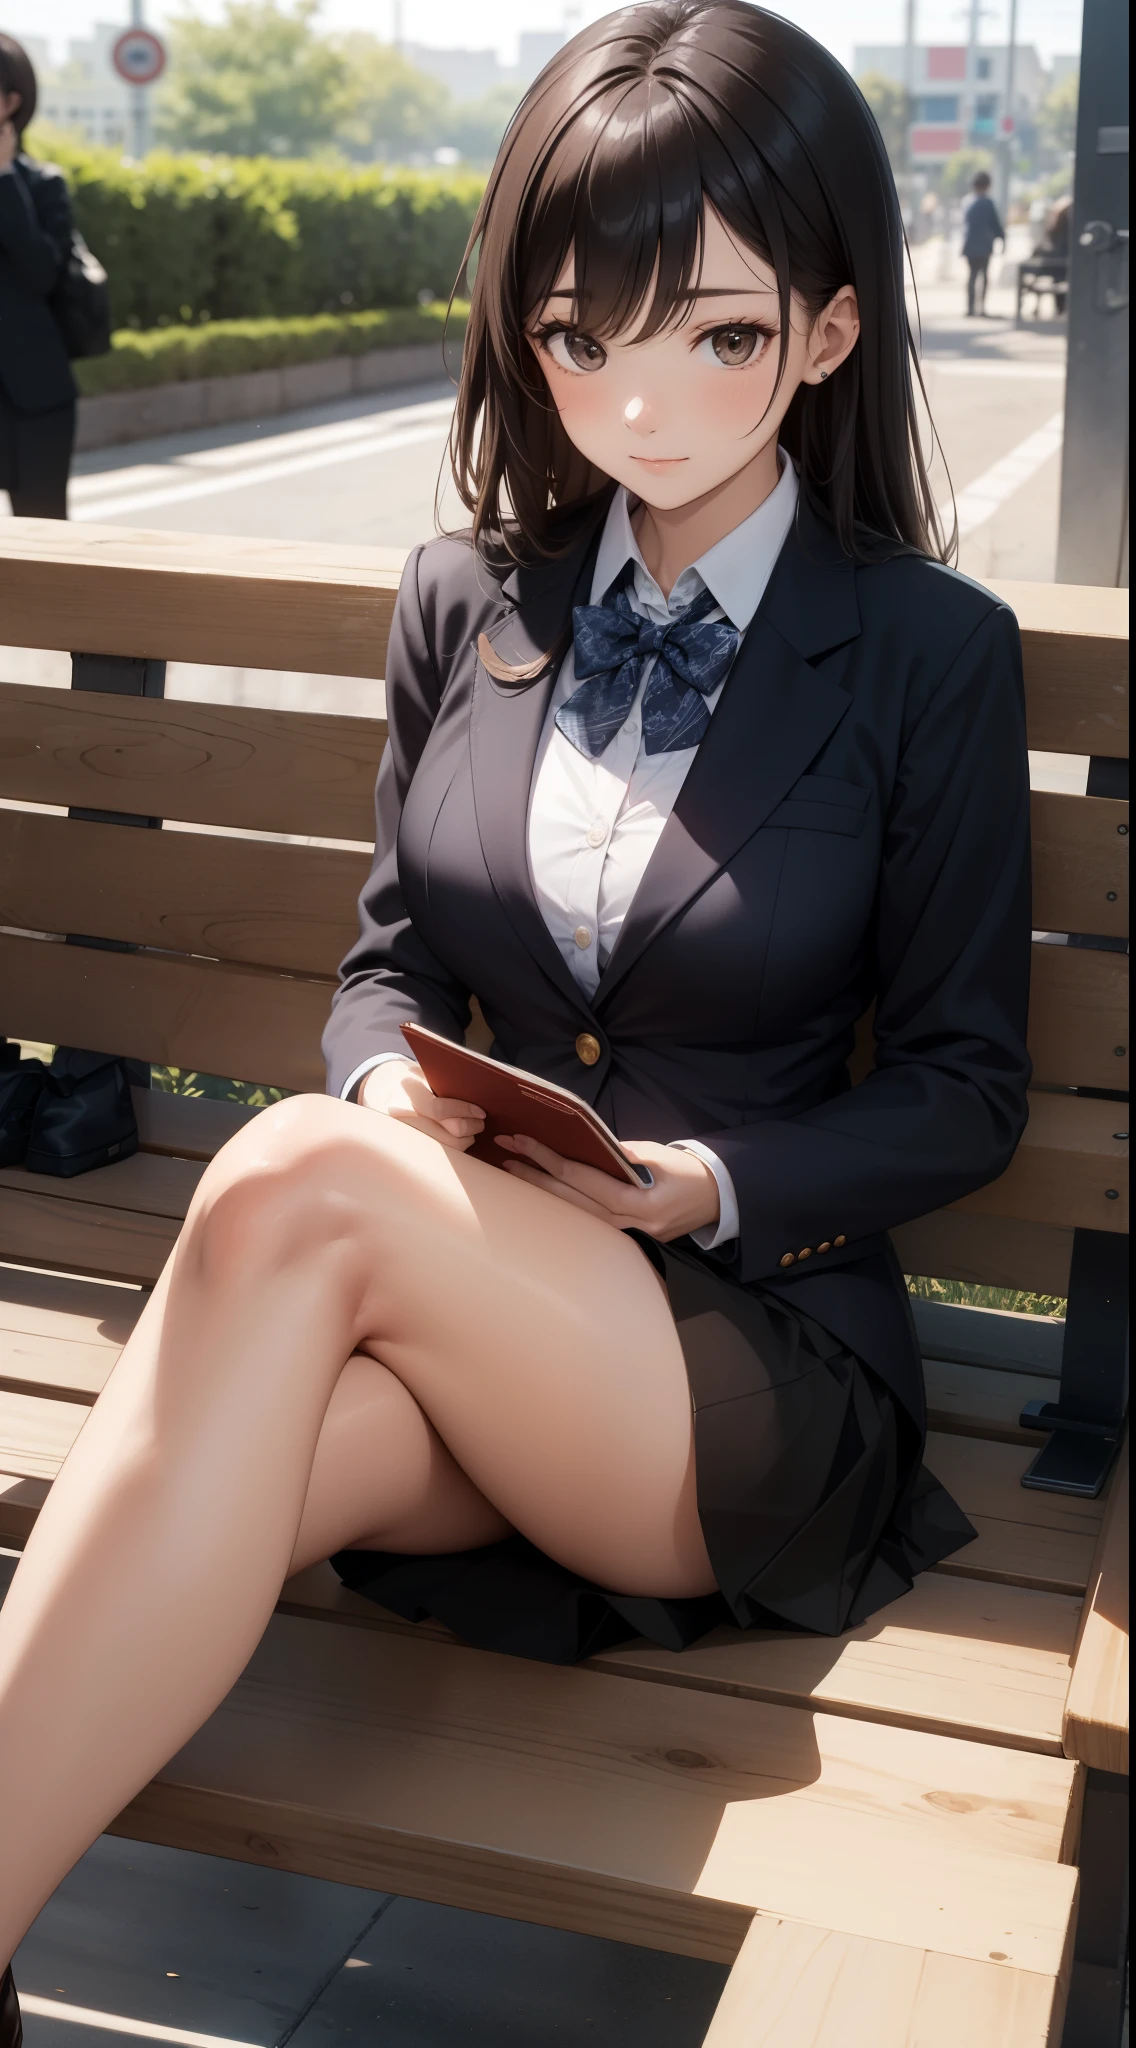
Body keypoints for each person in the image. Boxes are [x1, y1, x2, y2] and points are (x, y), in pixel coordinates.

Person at [0, 3, 1032, 2022]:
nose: (638, 400)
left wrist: (697, 1182)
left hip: (747, 1360)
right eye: (579, 336)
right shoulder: (464, 598)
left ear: (822, 333)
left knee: (290, 1195)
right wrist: (394, 1075)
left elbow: (965, 1086)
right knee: (257, 1450)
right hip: (478, 1322)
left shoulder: (925, 654)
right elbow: (388, 958)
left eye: (713, 336)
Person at [0, 32, 77, 520]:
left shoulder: (42, 185)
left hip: (35, 401)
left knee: (45, 543)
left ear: (10, 102)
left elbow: (43, 275)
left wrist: (3, 179)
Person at [961, 168, 1005, 318]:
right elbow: (995, 225)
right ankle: (982, 308)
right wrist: (1002, 239)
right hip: (985, 246)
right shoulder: (988, 203)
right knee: (984, 276)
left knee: (972, 276)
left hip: (969, 245)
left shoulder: (967, 201)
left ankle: (970, 308)